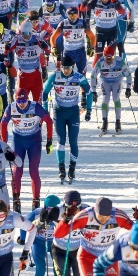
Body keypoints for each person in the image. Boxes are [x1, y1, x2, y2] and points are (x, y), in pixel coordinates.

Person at [0, 90, 53, 213]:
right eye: (19, 101)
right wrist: (4, 144)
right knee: (17, 171)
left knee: (34, 171)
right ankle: (16, 200)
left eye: (24, 101)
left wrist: (49, 140)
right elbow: (3, 123)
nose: (22, 104)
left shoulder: (35, 107)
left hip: (34, 141)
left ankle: (36, 200)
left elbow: (49, 121)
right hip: (18, 141)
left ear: (28, 100)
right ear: (15, 100)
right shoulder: (11, 108)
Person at [42, 55, 93, 184]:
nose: (66, 70)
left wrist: (88, 110)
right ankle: (61, 168)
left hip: (73, 112)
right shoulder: (55, 76)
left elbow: (89, 93)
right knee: (61, 141)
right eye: (64, 68)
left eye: (68, 68)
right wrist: (45, 109)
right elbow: (44, 92)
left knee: (73, 141)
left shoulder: (78, 77)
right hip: (59, 112)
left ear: (72, 67)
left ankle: (72, 167)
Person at [23, 195, 61, 276]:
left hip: (55, 244)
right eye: (48, 208)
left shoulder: (61, 213)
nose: (50, 210)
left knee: (58, 272)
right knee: (41, 269)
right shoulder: (37, 213)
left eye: (53, 208)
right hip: (39, 243)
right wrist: (23, 238)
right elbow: (25, 225)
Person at [91, 45, 132, 135]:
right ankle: (105, 121)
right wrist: (93, 91)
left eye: (111, 58)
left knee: (116, 97)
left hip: (117, 81)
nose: (108, 60)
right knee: (105, 98)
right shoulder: (100, 62)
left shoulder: (119, 61)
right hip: (105, 81)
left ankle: (118, 121)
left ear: (114, 56)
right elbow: (93, 76)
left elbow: (128, 74)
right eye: (107, 58)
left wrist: (128, 88)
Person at [51, 6, 95, 76]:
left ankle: (82, 87)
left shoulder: (82, 23)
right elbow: (53, 37)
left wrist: (92, 48)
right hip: (68, 52)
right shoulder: (63, 24)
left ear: (77, 15)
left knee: (82, 74)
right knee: (66, 74)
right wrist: (53, 47)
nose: (72, 17)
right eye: (70, 15)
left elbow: (92, 36)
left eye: (74, 15)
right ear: (67, 15)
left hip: (80, 52)